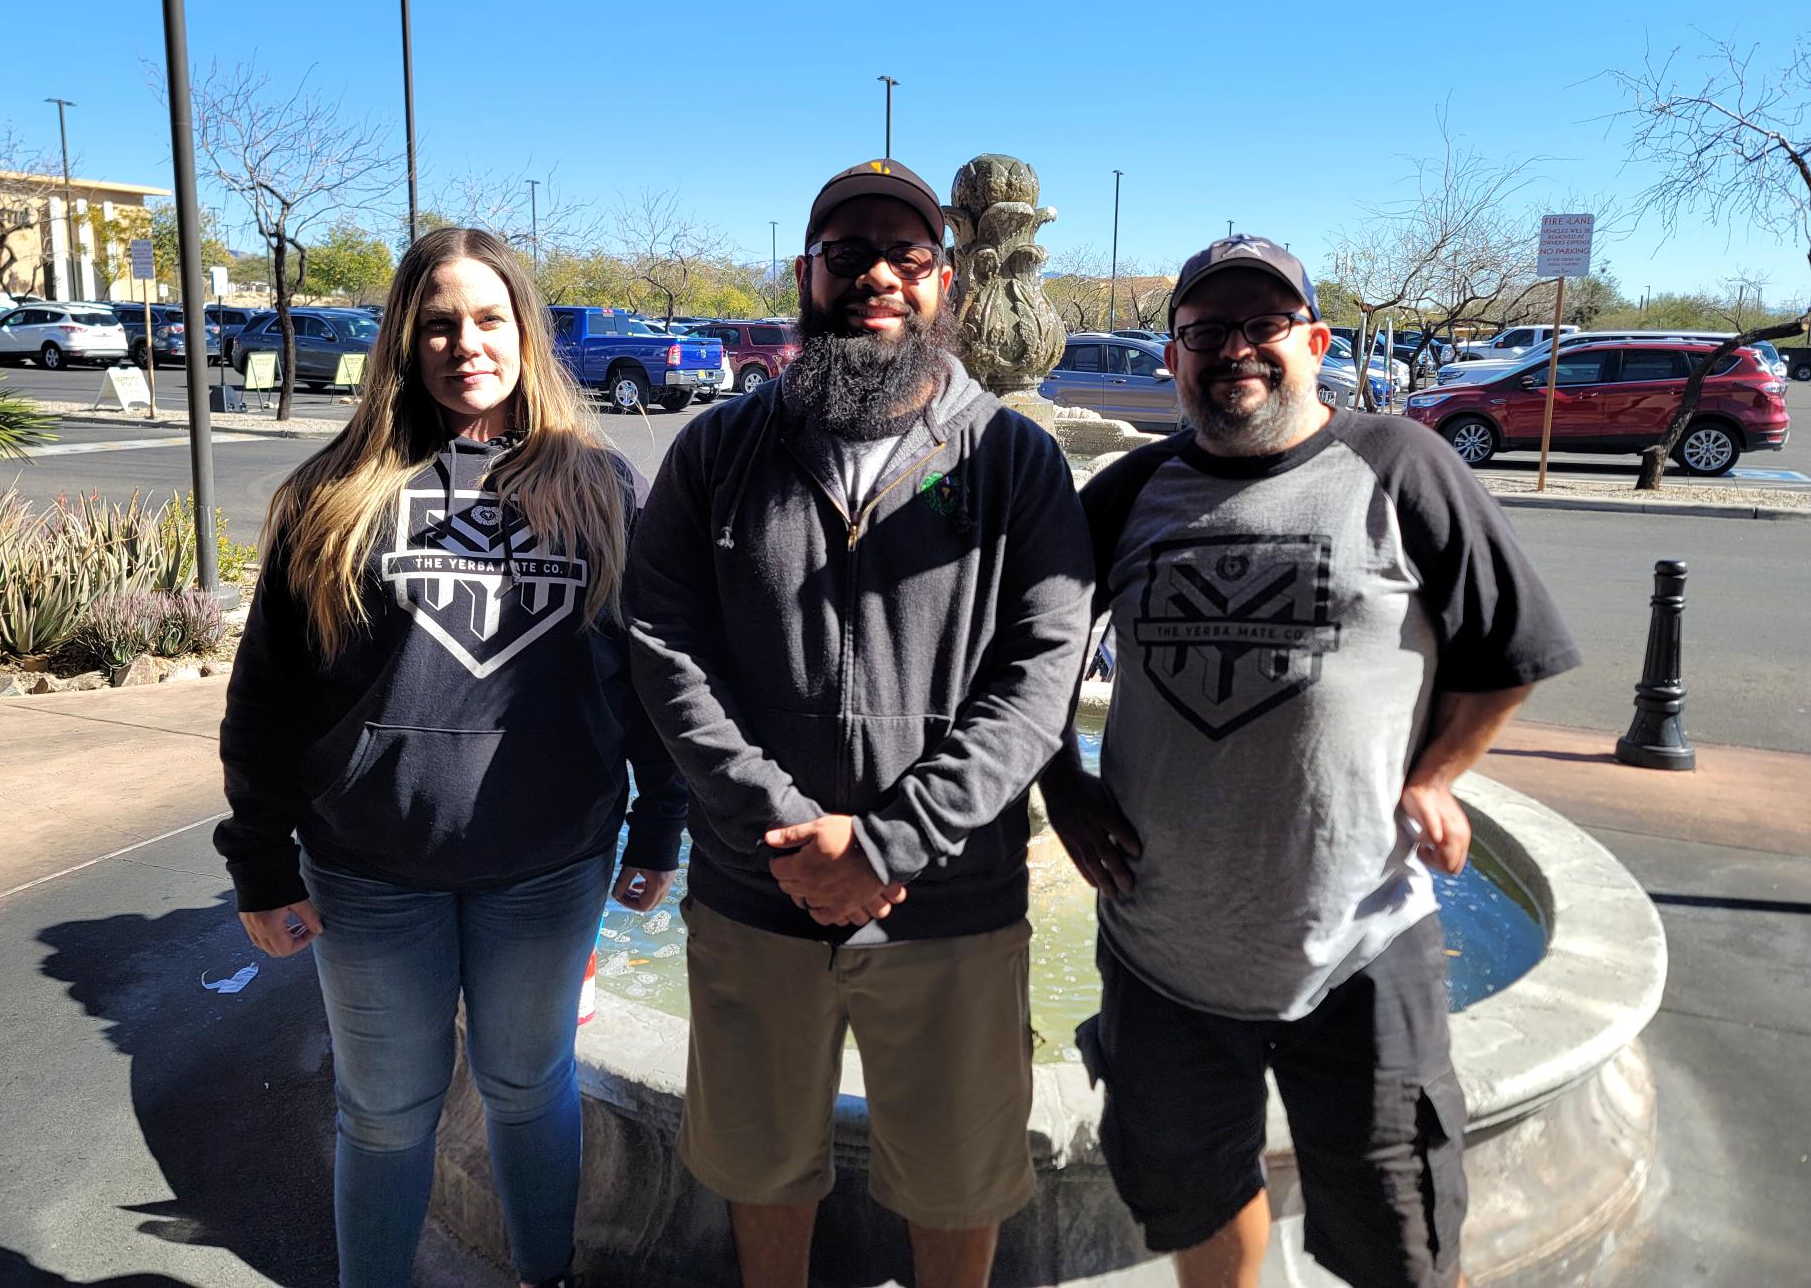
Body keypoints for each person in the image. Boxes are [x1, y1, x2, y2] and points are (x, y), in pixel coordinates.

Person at [1044, 235, 1579, 1288]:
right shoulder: (1129, 491)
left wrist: (1435, 776)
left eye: (1264, 325)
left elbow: (1510, 647)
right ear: (1173, 356)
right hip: (1161, 949)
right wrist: (1062, 782)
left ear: (1316, 342)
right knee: (1197, 1198)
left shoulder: (1401, 464)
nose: (1235, 350)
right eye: (1206, 332)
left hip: (1361, 940)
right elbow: (1033, 655)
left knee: (1402, 1233)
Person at [625, 159, 1094, 1288]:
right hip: (757, 894)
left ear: (945, 284)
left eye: (906, 255)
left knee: (958, 1182)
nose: (877, 274)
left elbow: (1041, 675)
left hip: (951, 906)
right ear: (807, 273)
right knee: (761, 1168)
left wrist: (889, 845)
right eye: (849, 253)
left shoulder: (1013, 458)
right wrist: (783, 828)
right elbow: (663, 646)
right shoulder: (716, 451)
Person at [215, 227, 685, 1288]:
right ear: (402, 338)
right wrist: (260, 863)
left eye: (487, 319)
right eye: (437, 323)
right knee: (384, 1113)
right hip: (370, 872)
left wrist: (659, 824)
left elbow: (648, 680)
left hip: (549, 868)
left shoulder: (602, 488)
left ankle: (544, 1275)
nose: (465, 344)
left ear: (525, 332)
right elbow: (267, 700)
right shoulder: (334, 493)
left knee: (530, 1088)